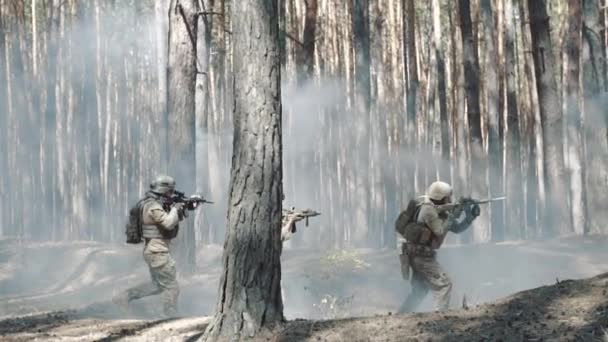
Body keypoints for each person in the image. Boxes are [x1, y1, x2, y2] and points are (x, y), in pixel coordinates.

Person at [113, 175, 196, 317]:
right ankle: (171, 315)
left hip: (155, 250)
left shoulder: (154, 204)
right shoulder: (152, 206)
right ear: (163, 190)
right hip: (157, 251)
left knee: (157, 285)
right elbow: (168, 223)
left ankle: (125, 296)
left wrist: (184, 208)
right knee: (171, 287)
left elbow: (170, 221)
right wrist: (176, 208)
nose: (171, 194)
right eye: (170, 191)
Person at [397, 181, 480, 313]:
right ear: (442, 198)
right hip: (420, 256)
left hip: (419, 255)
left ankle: (400, 317)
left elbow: (457, 228)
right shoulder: (428, 210)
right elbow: (440, 230)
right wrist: (454, 214)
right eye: (448, 197)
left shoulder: (437, 210)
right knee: (444, 284)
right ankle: (439, 319)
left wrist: (469, 218)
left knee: (420, 291)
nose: (450, 200)